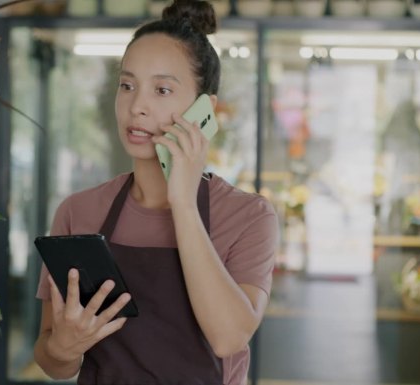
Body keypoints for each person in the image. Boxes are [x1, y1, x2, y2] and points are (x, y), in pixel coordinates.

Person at [33, 1, 278, 383]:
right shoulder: (79, 211)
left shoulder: (248, 217)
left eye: (162, 89)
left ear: (206, 110)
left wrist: (182, 201)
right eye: (127, 85)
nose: (138, 106)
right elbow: (52, 361)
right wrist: (63, 349)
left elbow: (229, 338)